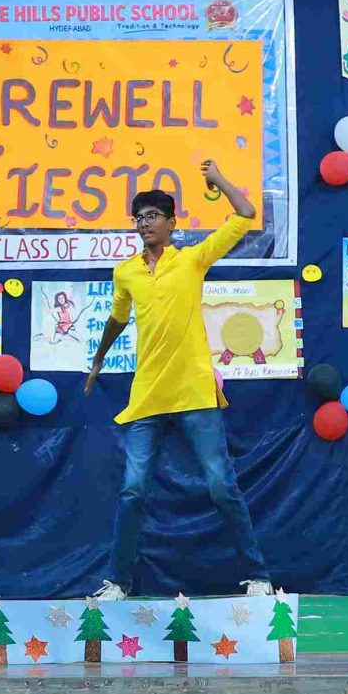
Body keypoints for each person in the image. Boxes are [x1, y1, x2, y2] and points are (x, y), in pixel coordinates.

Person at [83, 159, 273, 602]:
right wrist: (98, 361)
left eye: (152, 216)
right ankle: (118, 583)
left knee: (221, 486)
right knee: (132, 490)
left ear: (172, 223)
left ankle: (258, 577)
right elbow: (117, 317)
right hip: (148, 395)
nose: (144, 223)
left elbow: (246, 213)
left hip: (194, 391)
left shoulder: (192, 260)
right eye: (138, 218)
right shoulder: (126, 272)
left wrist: (219, 179)